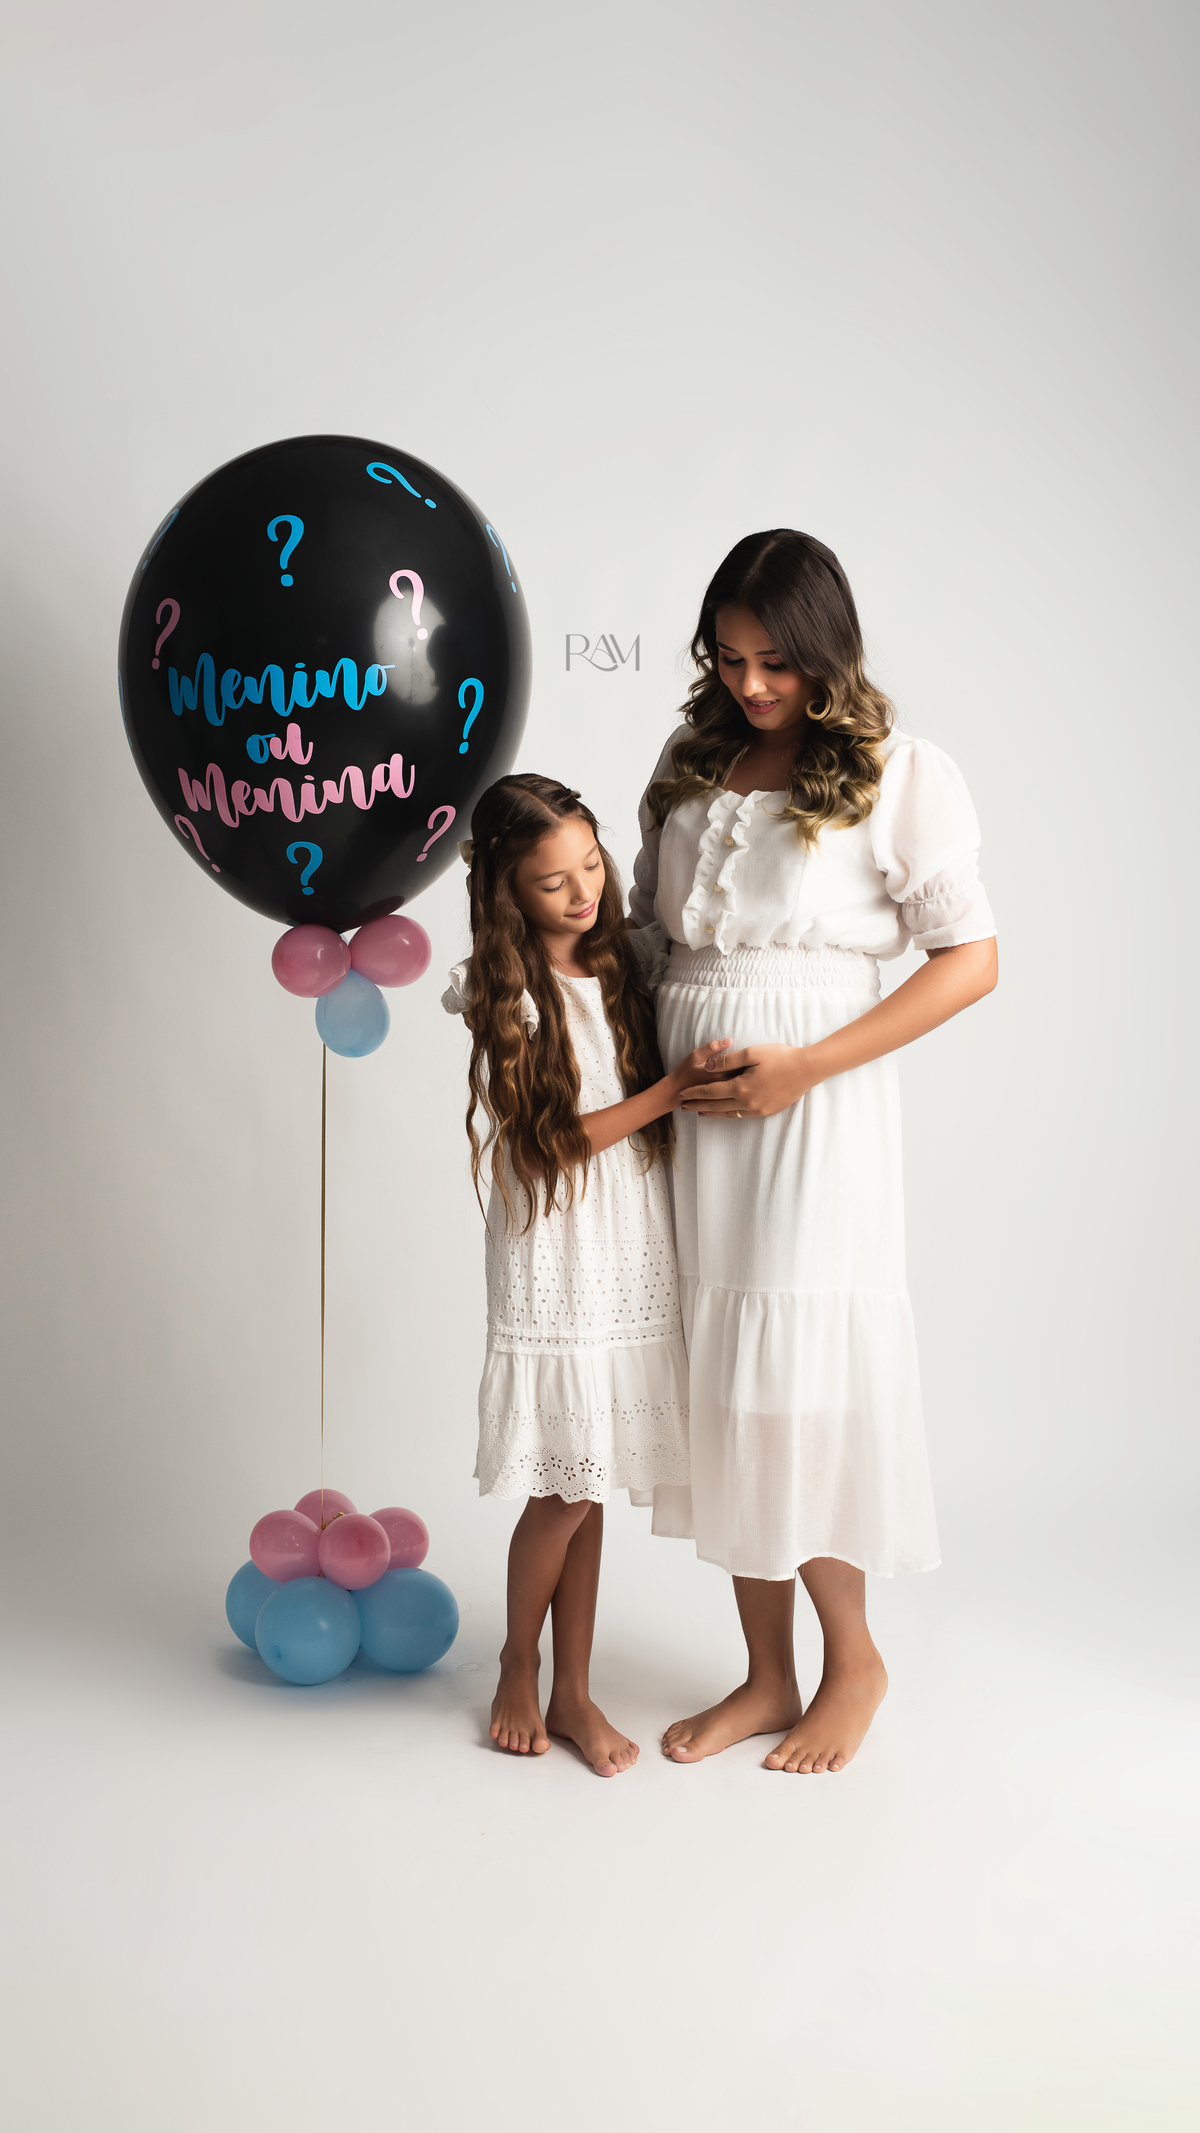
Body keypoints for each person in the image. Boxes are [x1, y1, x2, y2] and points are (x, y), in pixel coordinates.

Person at [629, 529, 998, 1773]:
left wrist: (803, 1067)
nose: (750, 684)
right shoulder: (691, 761)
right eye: (729, 658)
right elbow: (652, 937)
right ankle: (767, 1673)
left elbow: (972, 960)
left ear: (825, 649)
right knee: (727, 1378)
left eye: (776, 662)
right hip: (695, 1108)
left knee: (801, 1373)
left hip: (814, 1107)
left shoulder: (897, 772)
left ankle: (854, 1661)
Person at [442, 773, 729, 1776]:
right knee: (564, 1488)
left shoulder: (622, 960)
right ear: (507, 891)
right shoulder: (506, 989)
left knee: (591, 1474)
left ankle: (574, 1689)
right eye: (552, 881)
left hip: (627, 1242)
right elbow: (542, 1148)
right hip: (558, 1250)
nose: (582, 893)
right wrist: (671, 1092)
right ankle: (519, 1665)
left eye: (591, 867)